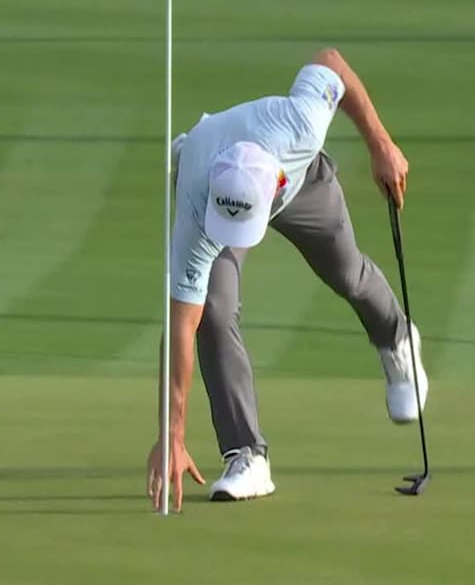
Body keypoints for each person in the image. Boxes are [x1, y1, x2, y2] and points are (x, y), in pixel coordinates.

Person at [147, 47, 430, 512]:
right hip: (216, 181)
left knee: (346, 271)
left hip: (303, 184)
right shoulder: (199, 202)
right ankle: (247, 456)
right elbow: (182, 323)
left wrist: (379, 143)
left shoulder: (299, 125)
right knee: (213, 313)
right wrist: (171, 435)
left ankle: (397, 339)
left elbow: (331, 62)